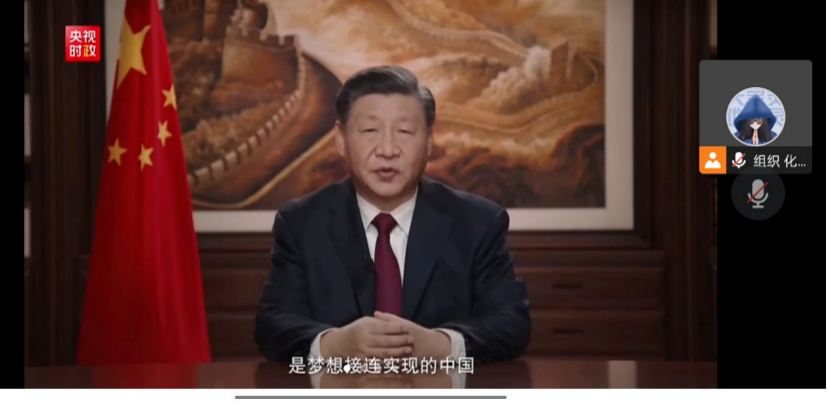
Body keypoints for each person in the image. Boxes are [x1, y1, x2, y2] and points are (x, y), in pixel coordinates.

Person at [255, 66, 531, 365]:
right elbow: (272, 326)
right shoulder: (302, 224)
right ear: (341, 139)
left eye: (405, 132)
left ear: (428, 142)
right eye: (370, 131)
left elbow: (511, 324)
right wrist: (334, 344)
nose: (387, 150)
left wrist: (440, 345)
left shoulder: (477, 223)